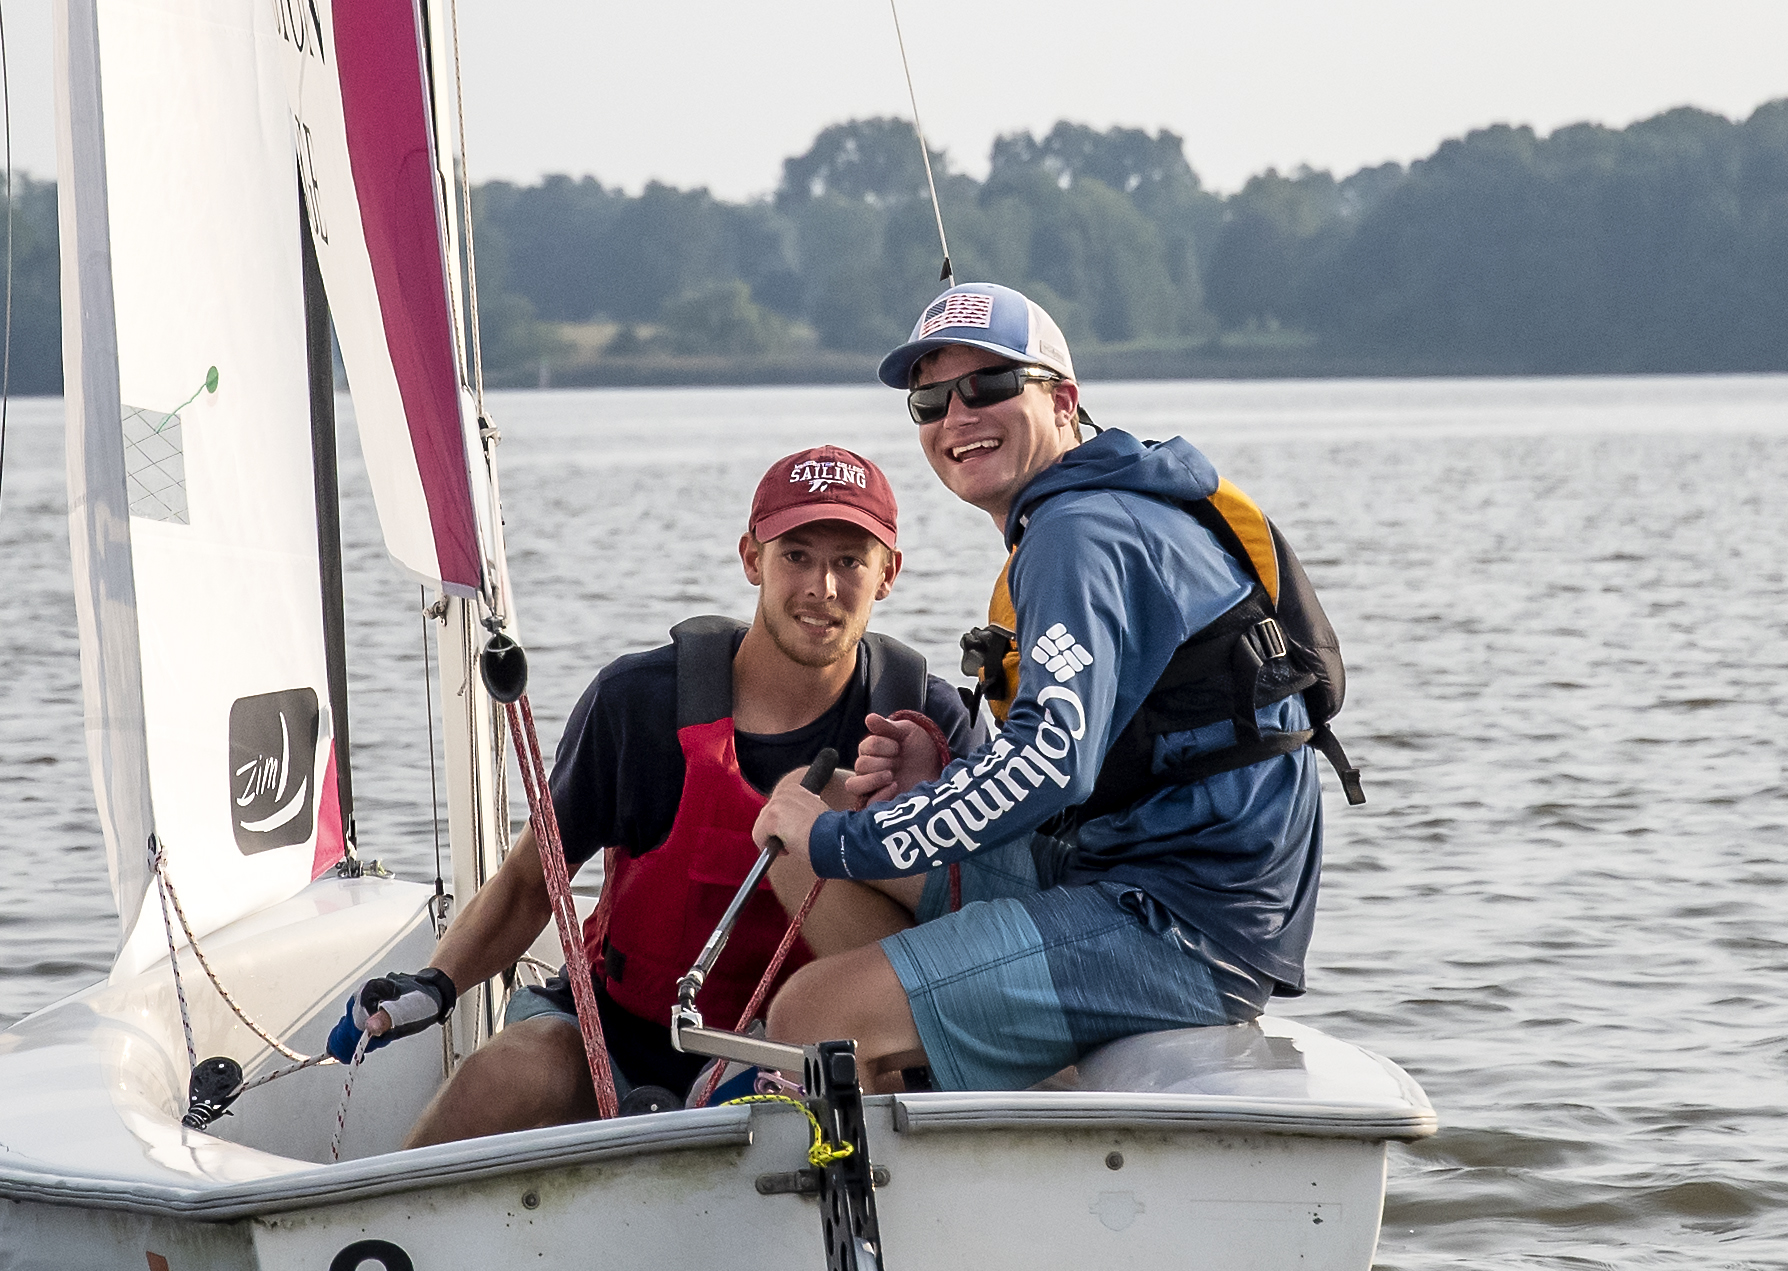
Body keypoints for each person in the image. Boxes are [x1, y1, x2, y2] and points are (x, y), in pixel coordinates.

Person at [755, 283, 1346, 1095]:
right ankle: (954, 1049)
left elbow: (1051, 760)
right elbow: (1105, 750)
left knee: (808, 1015)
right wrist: (937, 776)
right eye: (931, 399)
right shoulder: (1099, 508)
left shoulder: (1077, 532)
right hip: (1125, 874)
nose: (958, 416)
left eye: (991, 385)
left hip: (1183, 928)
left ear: (1064, 400)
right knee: (804, 825)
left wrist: (849, 844)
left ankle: (984, 1134)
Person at [329, 446, 982, 1145]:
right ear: (751, 557)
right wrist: (436, 984)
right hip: (617, 1034)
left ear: (889, 574)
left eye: (850, 560)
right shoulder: (636, 702)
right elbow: (531, 882)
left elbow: (969, 921)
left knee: (846, 1082)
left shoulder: (924, 722)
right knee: (505, 1076)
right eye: (796, 554)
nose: (822, 586)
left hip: (797, 1051)